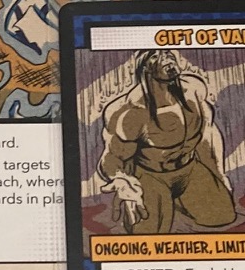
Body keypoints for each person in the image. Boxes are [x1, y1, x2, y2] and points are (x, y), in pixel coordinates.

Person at [95, 50, 237, 234]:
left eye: (167, 52)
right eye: (155, 56)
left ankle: (177, 201)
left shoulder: (194, 90)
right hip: (151, 175)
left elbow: (207, 135)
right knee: (148, 234)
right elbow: (112, 159)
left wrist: (219, 174)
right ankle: (160, 200)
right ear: (144, 67)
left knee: (222, 216)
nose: (165, 58)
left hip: (189, 168)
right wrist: (122, 181)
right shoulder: (132, 112)